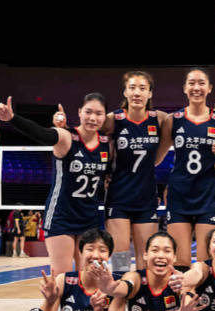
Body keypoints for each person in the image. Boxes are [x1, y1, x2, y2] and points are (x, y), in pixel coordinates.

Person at [56, 71, 173, 272]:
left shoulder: (161, 119)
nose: (137, 93)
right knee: (121, 261)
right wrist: (64, 127)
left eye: (142, 88)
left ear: (150, 93)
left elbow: (183, 130)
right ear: (125, 92)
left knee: (146, 261)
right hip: (119, 197)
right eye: (132, 88)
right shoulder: (113, 119)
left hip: (146, 198)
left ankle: (143, 294)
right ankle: (120, 292)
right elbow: (85, 132)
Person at [0, 94, 111, 276]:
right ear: (79, 112)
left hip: (90, 217)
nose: (93, 118)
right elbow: (41, 133)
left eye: (98, 113)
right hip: (61, 215)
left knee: (88, 278)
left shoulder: (107, 144)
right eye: (88, 112)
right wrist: (12, 118)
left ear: (105, 116)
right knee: (62, 278)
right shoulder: (66, 136)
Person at [161, 68, 215, 271]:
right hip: (179, 196)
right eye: (191, 83)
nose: (196, 88)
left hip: (208, 197)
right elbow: (154, 159)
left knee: (205, 263)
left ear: (210, 88)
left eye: (201, 83)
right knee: (179, 262)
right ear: (184, 88)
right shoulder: (173, 119)